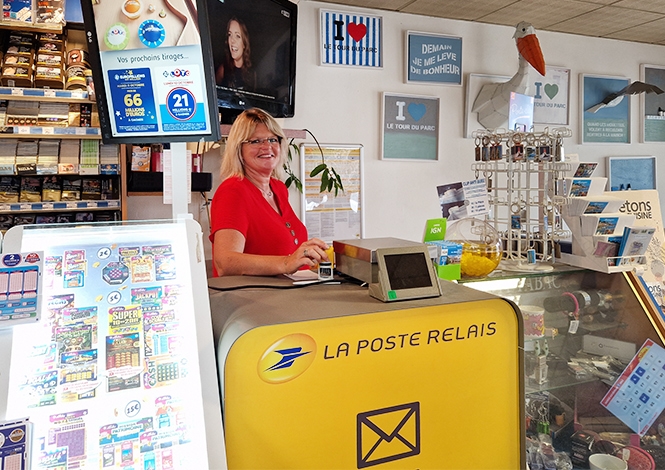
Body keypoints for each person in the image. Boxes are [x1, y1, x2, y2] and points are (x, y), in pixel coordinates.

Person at [209, 108, 329, 277]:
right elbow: (225, 263)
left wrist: (309, 255)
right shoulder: (233, 191)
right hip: (253, 299)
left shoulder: (278, 188)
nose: (267, 147)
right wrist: (287, 262)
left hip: (292, 294)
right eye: (255, 141)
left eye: (273, 139)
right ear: (239, 149)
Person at [215, 17, 257, 91]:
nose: (232, 41)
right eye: (229, 35)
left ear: (244, 43)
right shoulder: (223, 70)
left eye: (237, 36)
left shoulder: (253, 74)